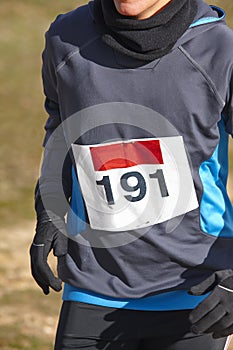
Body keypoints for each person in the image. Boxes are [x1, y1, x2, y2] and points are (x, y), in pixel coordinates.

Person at [29, 0, 233, 349]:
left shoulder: (218, 49)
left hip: (197, 290)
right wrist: (49, 205)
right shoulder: (66, 37)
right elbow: (61, 125)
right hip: (93, 286)